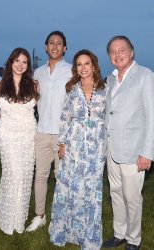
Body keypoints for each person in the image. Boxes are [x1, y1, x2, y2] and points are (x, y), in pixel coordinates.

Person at [102, 36, 154, 250]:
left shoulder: (145, 76)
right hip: (111, 148)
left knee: (132, 197)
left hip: (134, 150)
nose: (117, 55)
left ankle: (134, 240)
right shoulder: (110, 79)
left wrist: (147, 152)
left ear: (132, 52)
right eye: (113, 51)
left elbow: (153, 118)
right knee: (115, 193)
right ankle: (120, 233)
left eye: (122, 50)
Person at [49, 49, 107, 249]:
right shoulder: (72, 89)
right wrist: (62, 144)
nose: (83, 68)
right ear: (76, 68)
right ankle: (65, 231)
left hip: (96, 147)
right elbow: (65, 118)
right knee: (69, 189)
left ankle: (88, 236)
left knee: (91, 191)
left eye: (87, 63)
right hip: (74, 145)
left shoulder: (105, 88)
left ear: (94, 66)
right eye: (79, 64)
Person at [25, 31, 72, 232]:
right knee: (41, 175)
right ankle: (39, 215)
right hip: (42, 131)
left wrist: (68, 137)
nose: (55, 46)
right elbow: (33, 100)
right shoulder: (38, 73)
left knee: (61, 177)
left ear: (65, 48)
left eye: (59, 43)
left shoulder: (72, 71)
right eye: (51, 43)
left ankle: (61, 218)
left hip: (64, 134)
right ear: (46, 47)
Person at [0, 48, 40, 235]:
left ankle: (18, 218)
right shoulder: (0, 84)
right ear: (10, 62)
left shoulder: (35, 85)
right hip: (7, 134)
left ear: (28, 65)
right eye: (17, 61)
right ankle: (7, 217)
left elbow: (42, 111)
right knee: (13, 173)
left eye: (24, 62)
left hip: (28, 134)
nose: (20, 65)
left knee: (25, 174)